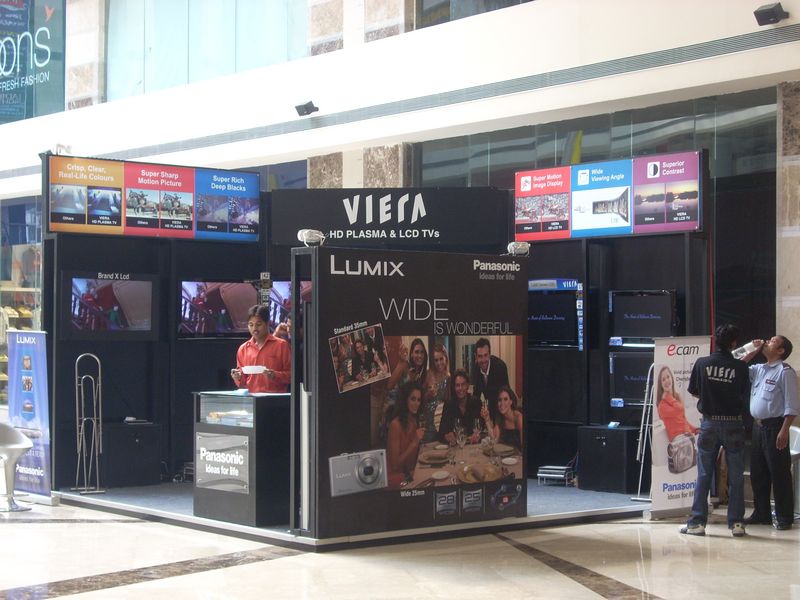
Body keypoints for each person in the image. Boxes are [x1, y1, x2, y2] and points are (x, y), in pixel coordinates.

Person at [680, 324, 751, 537]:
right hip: (734, 424)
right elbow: (744, 393)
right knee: (736, 475)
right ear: (734, 343)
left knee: (704, 474)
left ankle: (697, 522)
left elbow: (694, 392)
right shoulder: (740, 367)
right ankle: (737, 523)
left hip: (709, 424)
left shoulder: (702, 363)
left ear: (715, 341)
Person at [740, 334, 799, 530]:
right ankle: (762, 513)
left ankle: (784, 517)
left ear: (781, 351)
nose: (767, 341)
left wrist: (784, 430)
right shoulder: (758, 369)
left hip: (775, 427)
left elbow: (791, 405)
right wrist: (752, 349)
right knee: (758, 473)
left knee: (779, 473)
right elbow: (737, 366)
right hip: (758, 427)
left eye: (773, 341)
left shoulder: (785, 371)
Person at [230, 304, 291, 393]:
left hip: (275, 398)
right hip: (251, 398)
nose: (254, 328)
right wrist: (237, 377)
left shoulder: (281, 345)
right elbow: (242, 381)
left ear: (267, 324)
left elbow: (292, 375)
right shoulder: (243, 349)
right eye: (251, 325)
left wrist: (275, 375)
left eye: (258, 324)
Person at [386, 381, 426, 487]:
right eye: (413, 399)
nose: (416, 403)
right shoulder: (395, 425)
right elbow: (395, 465)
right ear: (405, 400)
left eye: (418, 400)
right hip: (397, 478)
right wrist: (414, 442)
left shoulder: (415, 421)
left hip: (411, 472)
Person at [438, 368, 482, 444]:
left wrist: (478, 435)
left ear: (467, 385)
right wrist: (447, 436)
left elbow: (482, 428)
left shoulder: (476, 402)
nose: (460, 388)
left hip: (473, 446)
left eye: (463, 384)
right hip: (456, 446)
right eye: (457, 385)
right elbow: (441, 433)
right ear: (454, 387)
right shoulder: (449, 405)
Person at [656, 365, 698, 441]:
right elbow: (680, 409)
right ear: (661, 384)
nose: (666, 381)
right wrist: (668, 397)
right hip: (678, 441)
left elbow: (683, 420)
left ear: (671, 378)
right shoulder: (662, 406)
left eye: (668, 377)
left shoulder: (677, 397)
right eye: (663, 379)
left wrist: (695, 430)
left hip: (687, 437)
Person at [470, 338, 509, 420]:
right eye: (480, 356)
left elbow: (505, 395)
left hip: (503, 409)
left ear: (489, 354)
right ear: (475, 356)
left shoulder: (500, 367)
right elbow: (476, 395)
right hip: (489, 409)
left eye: (486, 355)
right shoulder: (476, 368)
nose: (483, 360)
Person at [421, 343, 450, 442]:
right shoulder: (428, 374)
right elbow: (419, 398)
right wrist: (428, 395)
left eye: (441, 359)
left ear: (446, 358)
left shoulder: (449, 377)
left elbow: (448, 402)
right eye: (436, 360)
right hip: (427, 420)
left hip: (441, 421)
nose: (439, 363)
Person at [481, 385, 523, 450]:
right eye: (499, 400)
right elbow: (495, 439)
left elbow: (525, 446)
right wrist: (487, 419)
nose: (502, 403)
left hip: (519, 455)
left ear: (511, 402)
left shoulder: (518, 418)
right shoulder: (499, 417)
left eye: (505, 399)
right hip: (504, 455)